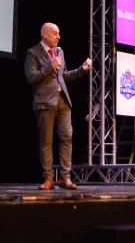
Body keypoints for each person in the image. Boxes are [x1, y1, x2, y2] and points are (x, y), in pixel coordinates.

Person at [24, 23, 92, 190]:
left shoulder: (59, 52)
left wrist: (82, 70)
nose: (58, 37)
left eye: (59, 33)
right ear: (45, 35)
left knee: (66, 138)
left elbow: (64, 76)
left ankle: (65, 177)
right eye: (55, 33)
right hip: (45, 102)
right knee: (46, 141)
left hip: (63, 100)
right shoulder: (33, 53)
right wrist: (50, 67)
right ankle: (48, 178)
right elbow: (31, 77)